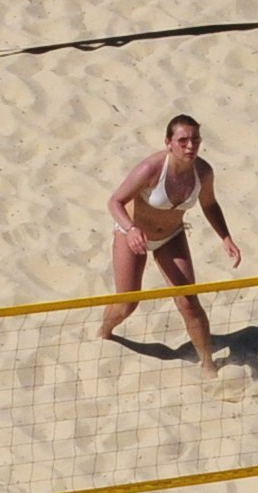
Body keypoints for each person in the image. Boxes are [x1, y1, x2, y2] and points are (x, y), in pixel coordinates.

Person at [93, 113, 246, 373]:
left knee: (189, 303)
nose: (190, 146)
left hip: (171, 237)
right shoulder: (151, 169)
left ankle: (207, 365)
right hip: (133, 236)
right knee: (127, 303)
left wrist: (226, 237)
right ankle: (104, 332)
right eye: (183, 140)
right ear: (169, 142)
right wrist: (130, 230)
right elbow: (115, 201)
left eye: (195, 140)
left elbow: (209, 204)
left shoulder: (203, 172)